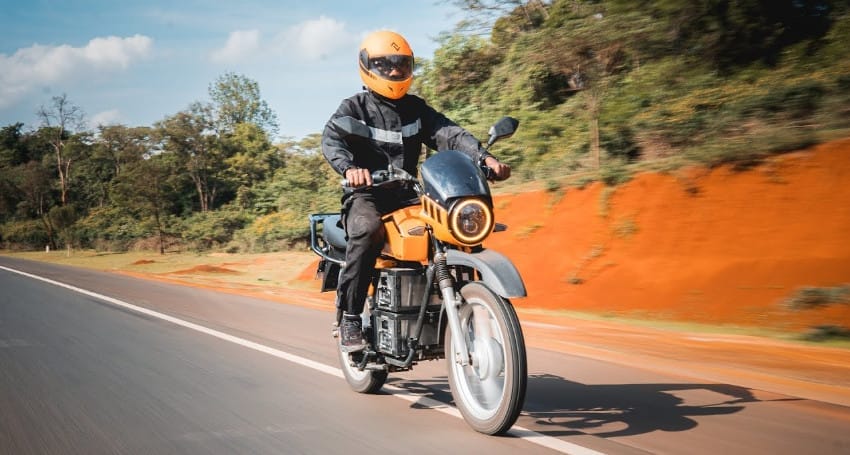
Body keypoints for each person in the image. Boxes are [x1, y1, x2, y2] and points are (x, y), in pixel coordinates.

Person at [321, 30, 511, 352]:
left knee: (455, 222)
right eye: (386, 65)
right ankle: (351, 317)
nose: (395, 72)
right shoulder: (354, 107)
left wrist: (484, 157)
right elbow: (332, 138)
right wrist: (350, 169)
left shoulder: (415, 109)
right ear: (368, 67)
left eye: (401, 65)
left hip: (409, 192)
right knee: (367, 230)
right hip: (368, 194)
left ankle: (464, 304)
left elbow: (448, 134)